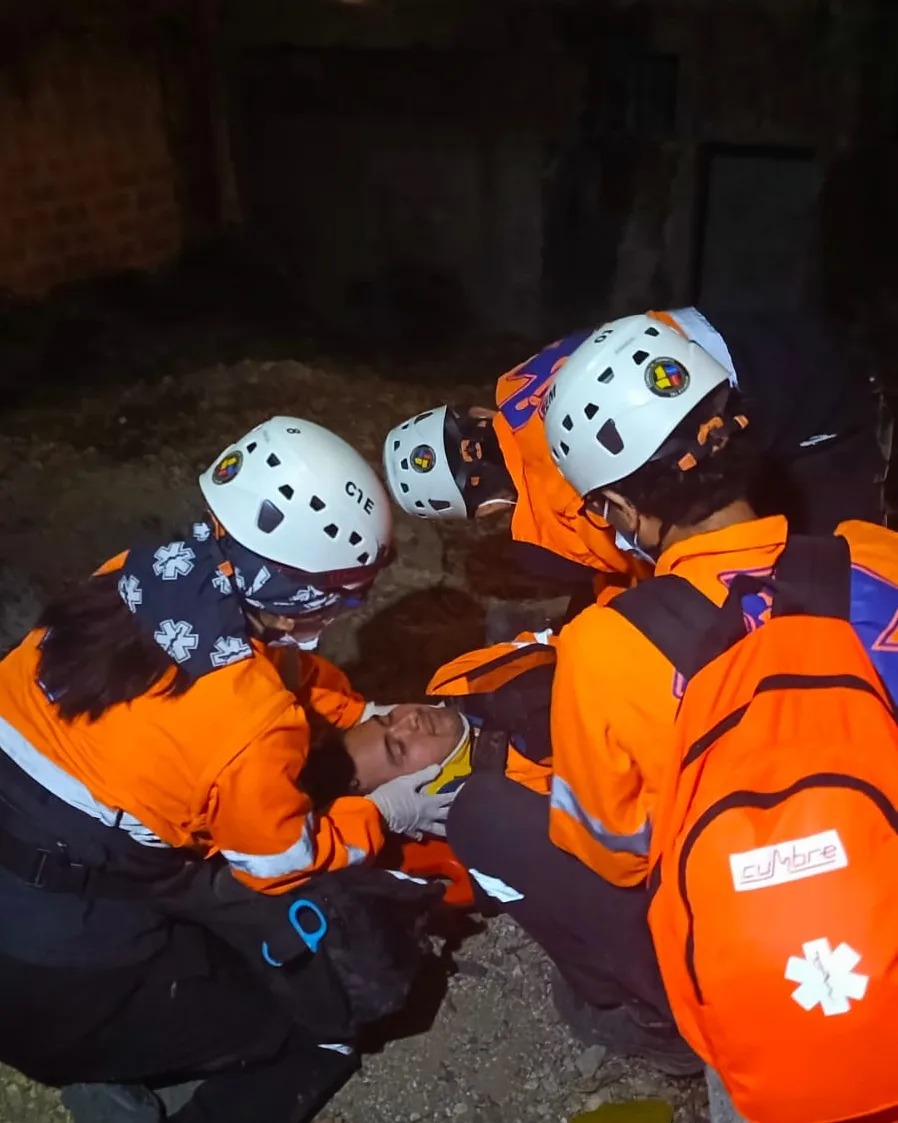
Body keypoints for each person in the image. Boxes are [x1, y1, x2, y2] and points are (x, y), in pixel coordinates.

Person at [0, 416, 456, 1123]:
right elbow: (279, 863)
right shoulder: (251, 721)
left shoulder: (140, 572)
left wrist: (361, 707)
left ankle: (122, 1050)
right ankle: (114, 1061)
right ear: (314, 595)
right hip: (48, 970)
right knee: (315, 1028)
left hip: (34, 882)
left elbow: (282, 669)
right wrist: (384, 814)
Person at [481, 312, 898, 1063]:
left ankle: (657, 1019)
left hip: (768, 937)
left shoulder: (606, 647)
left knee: (485, 814)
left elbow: (614, 854)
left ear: (616, 511)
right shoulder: (873, 557)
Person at [382, 306, 884, 617]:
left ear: (484, 511)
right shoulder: (524, 379)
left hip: (803, 424)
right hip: (783, 340)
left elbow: (650, 558)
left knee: (840, 585)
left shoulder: (544, 538)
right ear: (476, 413)